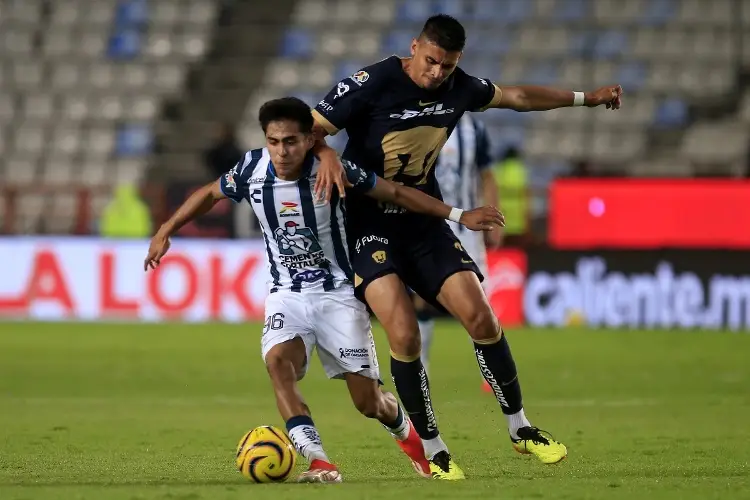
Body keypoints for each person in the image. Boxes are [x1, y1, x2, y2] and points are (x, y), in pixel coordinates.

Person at [310, 14, 622, 478]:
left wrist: (585, 98)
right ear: (414, 47)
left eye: (448, 65)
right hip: (366, 224)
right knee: (404, 333)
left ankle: (521, 428)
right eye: (431, 61)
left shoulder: (459, 86)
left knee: (481, 317)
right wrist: (327, 150)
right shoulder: (371, 82)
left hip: (423, 221)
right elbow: (308, 127)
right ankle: (434, 449)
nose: (437, 73)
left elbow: (517, 97)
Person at [144, 97, 504, 483]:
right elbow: (209, 193)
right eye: (274, 141)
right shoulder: (251, 168)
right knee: (279, 364)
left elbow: (397, 194)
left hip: (339, 297)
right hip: (287, 294)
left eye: (291, 141)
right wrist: (167, 229)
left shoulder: (334, 171)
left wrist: (456, 214)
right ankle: (319, 461)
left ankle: (412, 441)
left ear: (309, 139)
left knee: (369, 403)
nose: (282, 151)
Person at [415, 113, 500, 390]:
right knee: (421, 297)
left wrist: (495, 217)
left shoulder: (475, 128)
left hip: (469, 227)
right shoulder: (424, 123)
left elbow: (487, 175)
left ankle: (491, 370)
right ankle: (422, 366)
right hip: (432, 222)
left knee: (478, 299)